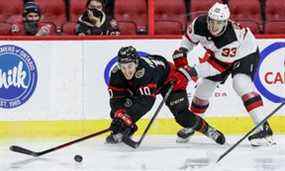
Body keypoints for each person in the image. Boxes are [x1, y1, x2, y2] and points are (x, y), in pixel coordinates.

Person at [172, 2, 275, 146]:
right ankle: (192, 125)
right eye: (212, 22)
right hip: (219, 55)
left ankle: (264, 128)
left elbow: (217, 67)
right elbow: (189, 40)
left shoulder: (230, 38)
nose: (214, 27)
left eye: (219, 23)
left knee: (240, 83)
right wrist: (183, 50)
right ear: (207, 19)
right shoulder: (198, 23)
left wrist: (193, 71)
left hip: (245, 52)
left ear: (226, 22)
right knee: (203, 89)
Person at [105, 46, 225, 145]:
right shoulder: (116, 73)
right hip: (147, 85)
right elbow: (116, 99)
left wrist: (127, 117)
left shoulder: (145, 71)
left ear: (136, 63)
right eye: (123, 67)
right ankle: (127, 130)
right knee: (118, 113)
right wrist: (120, 114)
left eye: (130, 66)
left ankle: (208, 130)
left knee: (182, 116)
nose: (127, 71)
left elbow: (146, 103)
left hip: (170, 79)